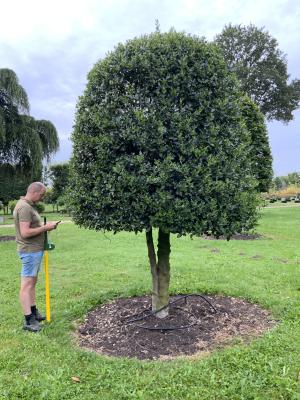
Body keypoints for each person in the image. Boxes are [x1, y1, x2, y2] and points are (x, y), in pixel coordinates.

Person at [13, 182, 59, 332]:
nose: (42, 197)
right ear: (34, 191)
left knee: (32, 282)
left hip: (34, 250)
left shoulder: (27, 205)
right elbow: (25, 232)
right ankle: (29, 320)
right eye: (42, 194)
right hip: (29, 251)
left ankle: (33, 312)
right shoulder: (24, 207)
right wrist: (46, 227)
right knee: (27, 284)